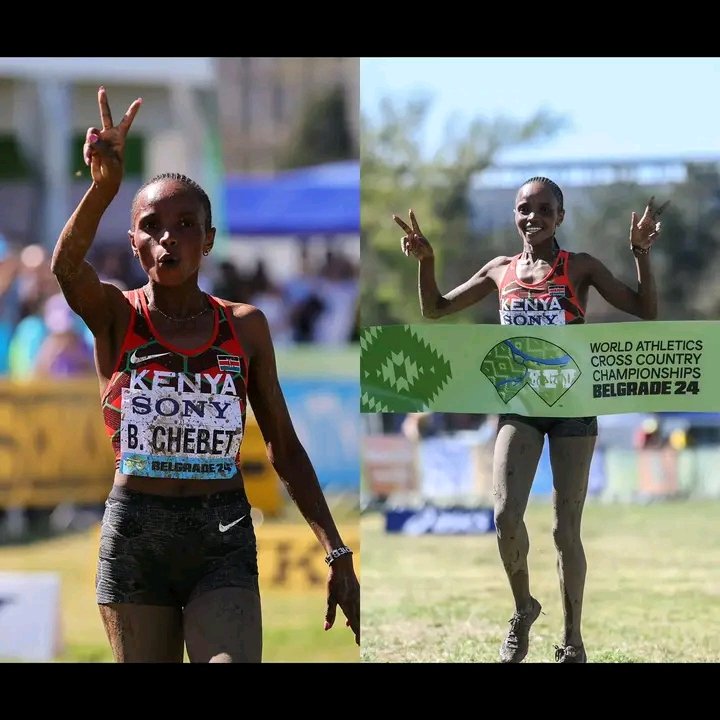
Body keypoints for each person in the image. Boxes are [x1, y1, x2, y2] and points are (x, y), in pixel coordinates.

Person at [50, 86, 359, 663]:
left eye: (186, 223)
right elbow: (66, 267)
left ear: (209, 241)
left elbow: (284, 447)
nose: (169, 235)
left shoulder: (245, 329)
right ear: (136, 243)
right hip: (135, 535)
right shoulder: (118, 316)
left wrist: (337, 552)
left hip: (222, 534)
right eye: (152, 225)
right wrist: (103, 190)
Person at [394, 177, 666, 663]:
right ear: (514, 215)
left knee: (566, 532)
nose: (532, 217)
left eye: (544, 209)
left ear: (560, 217)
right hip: (520, 408)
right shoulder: (500, 270)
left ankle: (573, 643)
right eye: (524, 208)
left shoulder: (578, 267)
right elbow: (434, 310)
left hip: (573, 410)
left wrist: (640, 253)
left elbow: (646, 310)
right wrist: (427, 262)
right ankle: (523, 610)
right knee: (504, 516)